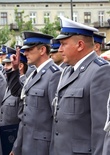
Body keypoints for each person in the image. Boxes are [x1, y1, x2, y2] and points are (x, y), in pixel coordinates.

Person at [51, 16, 110, 155]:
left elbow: (101, 130)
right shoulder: (67, 70)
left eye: (63, 44)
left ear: (80, 45)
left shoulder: (100, 71)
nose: (59, 49)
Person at [7, 31, 62, 155]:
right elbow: (24, 114)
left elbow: (57, 119)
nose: (25, 53)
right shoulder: (33, 75)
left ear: (42, 50)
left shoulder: (55, 74)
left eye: (29, 49)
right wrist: (17, 147)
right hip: (28, 144)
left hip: (43, 148)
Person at [0, 46, 28, 155]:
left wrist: (17, 146)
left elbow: (22, 120)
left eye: (8, 64)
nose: (5, 67)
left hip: (14, 141)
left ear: (20, 65)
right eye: (4, 64)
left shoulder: (24, 86)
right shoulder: (8, 84)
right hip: (4, 139)